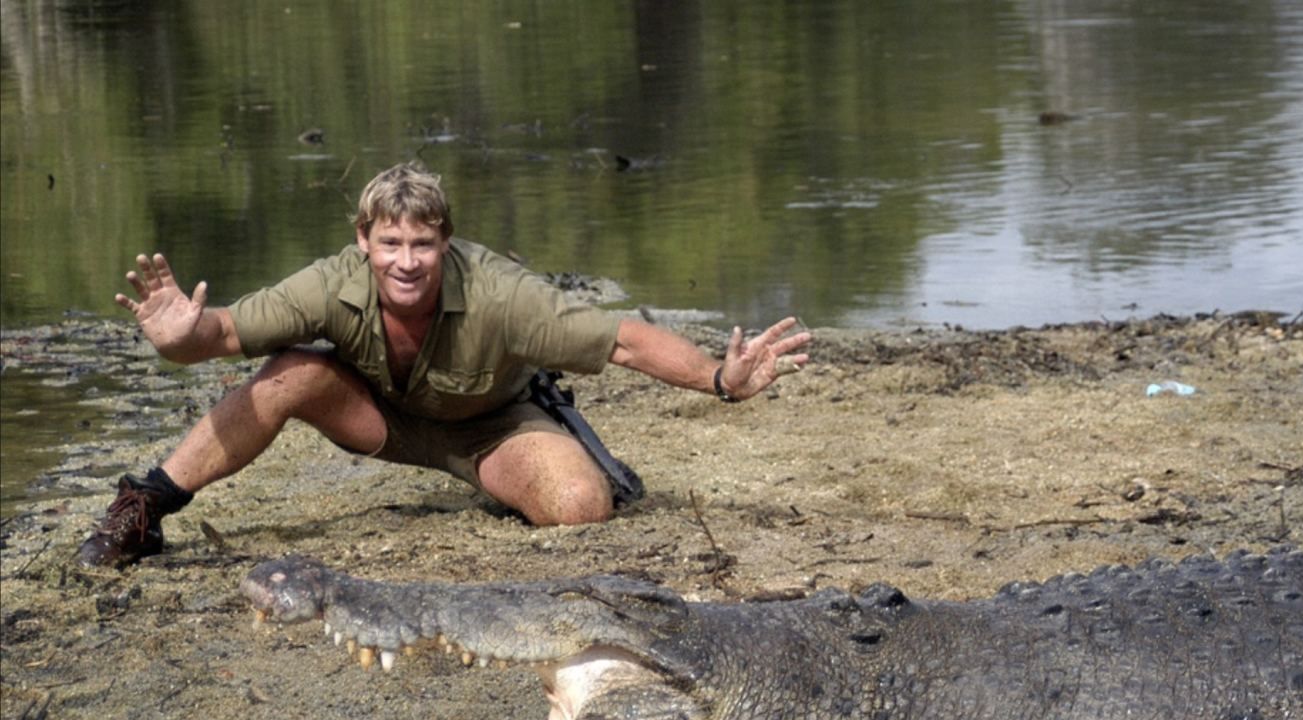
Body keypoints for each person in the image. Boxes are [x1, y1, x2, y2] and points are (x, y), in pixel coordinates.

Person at [76, 161, 810, 568]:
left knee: (581, 508)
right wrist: (177, 338)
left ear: (445, 241)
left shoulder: (502, 294)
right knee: (290, 371)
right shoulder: (330, 283)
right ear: (363, 240)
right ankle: (145, 507)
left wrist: (720, 379)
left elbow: (621, 340)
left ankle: (518, 478)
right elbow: (224, 333)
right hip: (382, 417)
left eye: (422, 245)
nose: (406, 262)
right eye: (390, 244)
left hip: (492, 429)